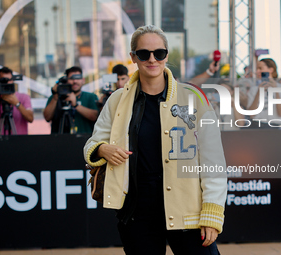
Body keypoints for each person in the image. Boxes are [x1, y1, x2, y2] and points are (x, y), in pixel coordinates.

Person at [84, 25, 227, 255]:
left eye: (159, 53)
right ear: (133, 57)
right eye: (144, 54)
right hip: (137, 212)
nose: (152, 59)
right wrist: (102, 149)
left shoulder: (194, 98)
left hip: (188, 210)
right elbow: (91, 144)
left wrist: (212, 212)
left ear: (166, 55)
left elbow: (214, 161)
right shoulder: (117, 100)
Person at [43, 66, 98, 134]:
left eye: (78, 78)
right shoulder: (55, 97)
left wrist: (76, 105)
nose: (75, 81)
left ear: (83, 80)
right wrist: (55, 96)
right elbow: (47, 117)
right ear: (66, 81)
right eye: (71, 78)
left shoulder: (91, 96)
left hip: (84, 140)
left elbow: (95, 117)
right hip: (60, 140)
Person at [0, 67, 33, 135]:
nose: (8, 83)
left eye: (10, 80)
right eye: (4, 80)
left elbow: (30, 118)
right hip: (0, 142)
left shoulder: (23, 97)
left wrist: (17, 103)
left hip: (19, 142)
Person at [247, 58, 281, 128]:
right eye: (257, 69)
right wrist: (259, 92)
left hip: (275, 126)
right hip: (257, 125)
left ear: (271, 70)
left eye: (260, 68)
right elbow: (251, 114)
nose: (257, 71)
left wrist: (276, 90)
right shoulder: (254, 89)